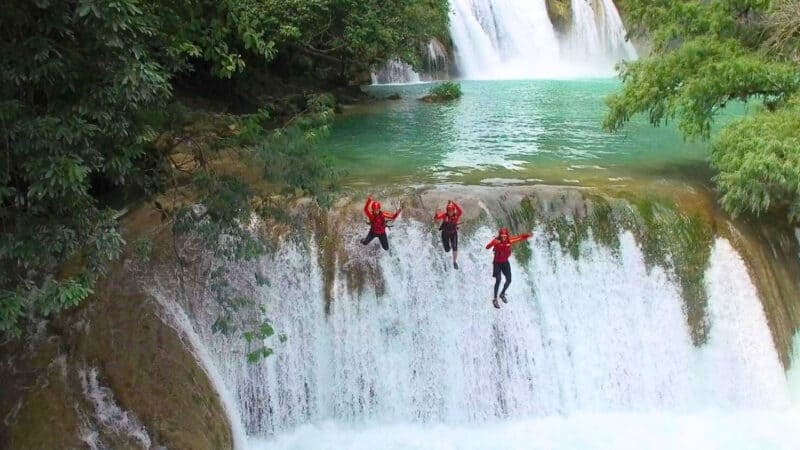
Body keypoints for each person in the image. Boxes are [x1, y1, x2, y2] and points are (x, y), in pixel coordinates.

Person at [485, 228, 532, 309]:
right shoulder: (496, 241)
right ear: (500, 235)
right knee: (498, 280)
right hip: (497, 263)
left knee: (509, 280)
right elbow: (487, 247)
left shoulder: (509, 241)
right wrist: (492, 243)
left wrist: (527, 235)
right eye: (502, 236)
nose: (503, 237)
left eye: (505, 236)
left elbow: (520, 238)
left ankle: (502, 293)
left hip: (505, 263)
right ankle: (495, 299)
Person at [434, 200, 463, 269]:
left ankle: (454, 262)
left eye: (451, 210)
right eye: (449, 211)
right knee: (447, 250)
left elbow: (460, 211)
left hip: (453, 233)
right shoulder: (444, 215)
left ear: (453, 210)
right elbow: (437, 217)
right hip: (445, 234)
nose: (450, 212)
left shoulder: (456, 216)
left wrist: (454, 203)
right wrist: (436, 214)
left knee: (455, 247)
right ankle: (449, 247)